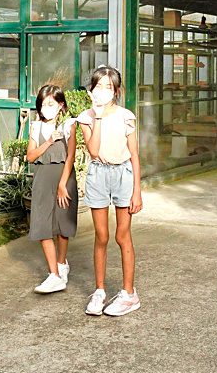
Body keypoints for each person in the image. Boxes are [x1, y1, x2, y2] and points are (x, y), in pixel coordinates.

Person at [77, 65, 142, 316]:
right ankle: (100, 291)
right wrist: (99, 116)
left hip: (123, 174)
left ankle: (129, 293)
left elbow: (134, 154)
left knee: (122, 235)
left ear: (116, 90)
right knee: (101, 235)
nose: (102, 91)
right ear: (91, 90)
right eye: (98, 86)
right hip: (98, 174)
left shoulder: (127, 115)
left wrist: (137, 191)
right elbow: (93, 151)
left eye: (108, 87)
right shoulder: (86, 117)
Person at [26, 84, 79, 294]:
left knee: (61, 225)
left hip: (64, 181)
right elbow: (30, 156)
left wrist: (62, 185)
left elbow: (71, 157)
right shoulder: (35, 127)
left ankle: (62, 264)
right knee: (41, 225)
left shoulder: (69, 125)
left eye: (51, 104)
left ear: (60, 105)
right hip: (42, 179)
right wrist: (48, 141)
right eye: (43, 104)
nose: (46, 108)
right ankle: (54, 275)